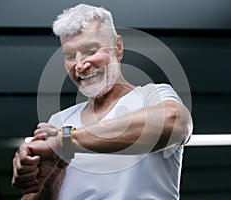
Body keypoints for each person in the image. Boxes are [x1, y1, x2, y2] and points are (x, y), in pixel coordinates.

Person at [11, 3, 193, 200]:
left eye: (90, 50)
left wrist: (66, 142)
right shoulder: (59, 121)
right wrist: (50, 182)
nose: (80, 65)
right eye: (70, 56)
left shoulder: (152, 96)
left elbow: (174, 122)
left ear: (118, 48)